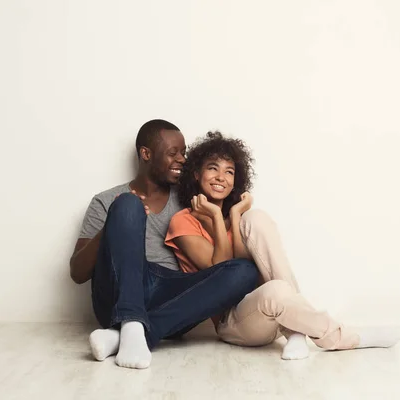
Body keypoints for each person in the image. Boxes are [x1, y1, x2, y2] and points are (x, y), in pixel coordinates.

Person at [165, 131, 400, 360]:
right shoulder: (182, 221)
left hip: (272, 308)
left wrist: (235, 214)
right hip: (235, 324)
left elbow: (243, 266)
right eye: (212, 168)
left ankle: (295, 331)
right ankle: (349, 337)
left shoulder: (240, 220)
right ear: (196, 174)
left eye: (229, 171)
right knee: (277, 292)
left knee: (256, 219)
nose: (221, 177)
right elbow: (224, 272)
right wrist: (216, 215)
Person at [70, 120, 259, 369]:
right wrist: (112, 226)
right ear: (146, 154)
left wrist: (226, 213)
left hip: (168, 294)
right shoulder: (106, 201)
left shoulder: (189, 200)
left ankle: (129, 336)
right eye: (173, 153)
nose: (181, 159)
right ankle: (130, 319)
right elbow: (77, 273)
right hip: (117, 294)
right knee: (128, 204)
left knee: (245, 270)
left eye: (184, 153)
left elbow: (221, 263)